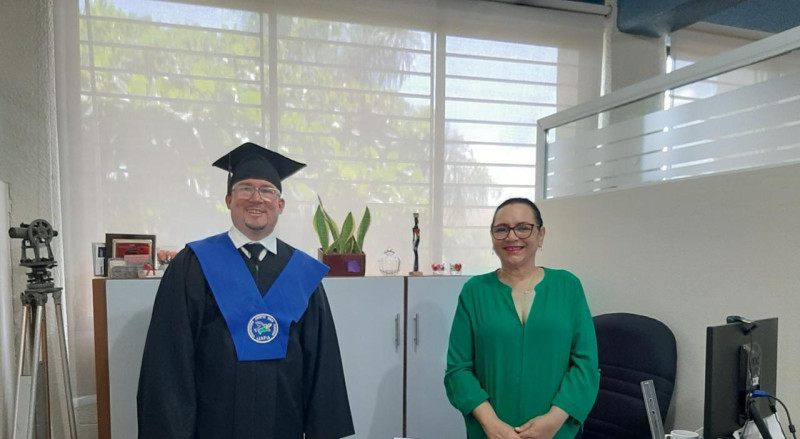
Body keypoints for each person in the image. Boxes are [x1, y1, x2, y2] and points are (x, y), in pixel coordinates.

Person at [137, 142, 354, 439]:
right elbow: (169, 364)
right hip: (211, 429)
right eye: (245, 188)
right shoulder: (193, 265)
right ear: (228, 199)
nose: (256, 198)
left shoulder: (303, 273)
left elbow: (321, 366)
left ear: (280, 204)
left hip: (284, 427)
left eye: (267, 190)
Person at [444, 197, 599, 439]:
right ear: (492, 237)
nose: (512, 237)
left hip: (556, 431)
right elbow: (458, 369)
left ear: (540, 235)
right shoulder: (474, 291)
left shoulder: (568, 286)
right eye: (501, 229)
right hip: (491, 432)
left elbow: (585, 365)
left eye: (523, 227)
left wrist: (553, 420)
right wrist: (491, 423)